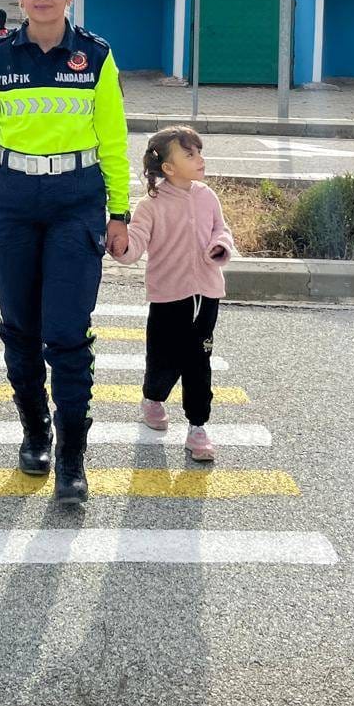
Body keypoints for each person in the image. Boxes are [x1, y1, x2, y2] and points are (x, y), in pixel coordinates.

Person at [0, 0, 130, 508]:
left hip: (77, 201)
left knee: (67, 333)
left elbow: (114, 141)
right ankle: (34, 433)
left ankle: (73, 456)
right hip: (12, 202)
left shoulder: (96, 57)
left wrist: (119, 213)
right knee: (20, 329)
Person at [115, 127, 236, 463]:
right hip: (168, 298)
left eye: (199, 151)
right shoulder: (150, 206)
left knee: (199, 360)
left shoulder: (207, 196)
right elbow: (134, 246)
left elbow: (220, 229)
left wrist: (220, 245)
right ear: (167, 168)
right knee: (162, 359)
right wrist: (120, 245)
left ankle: (197, 427)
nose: (200, 159)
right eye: (190, 154)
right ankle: (153, 398)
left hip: (207, 295)